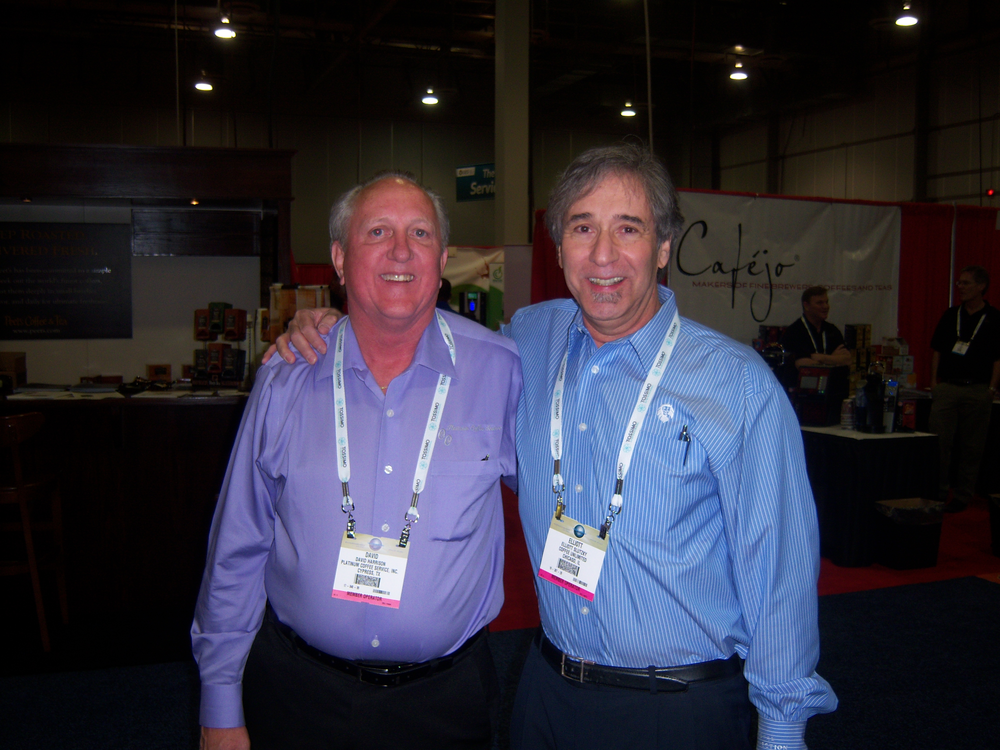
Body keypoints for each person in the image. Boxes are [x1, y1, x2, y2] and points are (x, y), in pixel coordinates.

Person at [273, 144, 837, 749]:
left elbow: (778, 568)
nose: (603, 255)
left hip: (675, 707)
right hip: (546, 694)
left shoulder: (736, 385)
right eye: (582, 228)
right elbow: (421, 342)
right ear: (560, 248)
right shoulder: (525, 343)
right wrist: (337, 326)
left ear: (664, 246)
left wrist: (782, 733)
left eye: (629, 228)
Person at [192, 171, 522, 750]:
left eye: (420, 233)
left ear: (443, 259)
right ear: (340, 260)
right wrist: (220, 702)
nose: (401, 250)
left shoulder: (501, 370)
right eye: (377, 231)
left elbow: (564, 492)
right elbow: (237, 546)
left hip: (446, 703)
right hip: (297, 694)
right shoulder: (284, 379)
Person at [928, 265, 1000, 512]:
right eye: (958, 282)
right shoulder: (951, 315)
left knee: (972, 446)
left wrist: (991, 389)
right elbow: (937, 350)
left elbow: (998, 358)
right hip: (948, 387)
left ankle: (963, 495)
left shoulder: (994, 318)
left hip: (978, 390)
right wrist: (935, 383)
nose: (960, 287)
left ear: (981, 286)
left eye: (966, 283)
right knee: (939, 443)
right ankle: (938, 492)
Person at [780, 286, 852, 370]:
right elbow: (802, 364)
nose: (825, 306)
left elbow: (847, 360)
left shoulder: (832, 330)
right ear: (806, 306)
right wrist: (833, 359)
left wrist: (821, 358)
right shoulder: (794, 332)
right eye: (820, 303)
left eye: (826, 302)